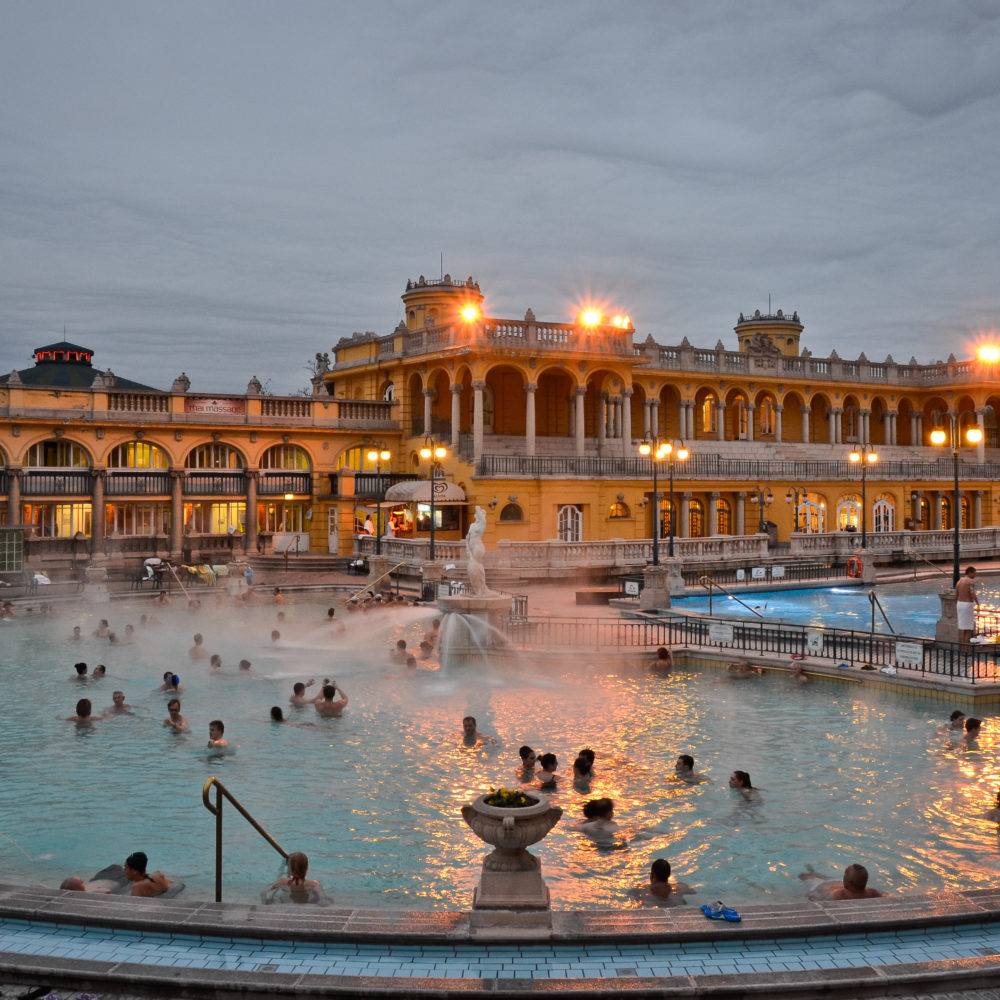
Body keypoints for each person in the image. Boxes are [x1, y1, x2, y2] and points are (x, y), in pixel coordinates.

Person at [263, 850, 327, 905]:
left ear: (290, 869)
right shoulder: (314, 884)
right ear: (306, 868)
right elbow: (323, 900)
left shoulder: (281, 881)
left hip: (286, 902)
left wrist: (266, 902)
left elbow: (263, 893)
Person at [956, 566, 979, 649]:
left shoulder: (959, 581)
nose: (975, 575)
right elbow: (972, 593)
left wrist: (957, 603)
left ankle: (962, 648)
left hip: (959, 604)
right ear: (970, 573)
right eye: (974, 573)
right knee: (968, 629)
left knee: (963, 628)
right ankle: (965, 650)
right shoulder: (970, 581)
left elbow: (956, 594)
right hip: (967, 604)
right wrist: (977, 603)